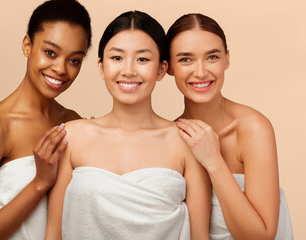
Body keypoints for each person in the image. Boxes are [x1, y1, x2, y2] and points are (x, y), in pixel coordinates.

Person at [45, 10, 211, 240]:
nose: (129, 70)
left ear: (162, 69)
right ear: (101, 67)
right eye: (117, 58)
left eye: (142, 59)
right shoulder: (72, 136)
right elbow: (53, 234)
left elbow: (200, 237)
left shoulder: (186, 141)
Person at [0, 0, 91, 239]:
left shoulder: (72, 122)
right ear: (27, 45)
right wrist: (40, 182)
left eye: (74, 60)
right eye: (50, 52)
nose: (61, 68)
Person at [167, 13, 293, 239]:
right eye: (185, 59)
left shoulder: (253, 128)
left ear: (227, 59)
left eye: (212, 57)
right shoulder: (169, 136)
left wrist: (213, 160)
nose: (201, 71)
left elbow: (261, 236)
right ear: (168, 67)